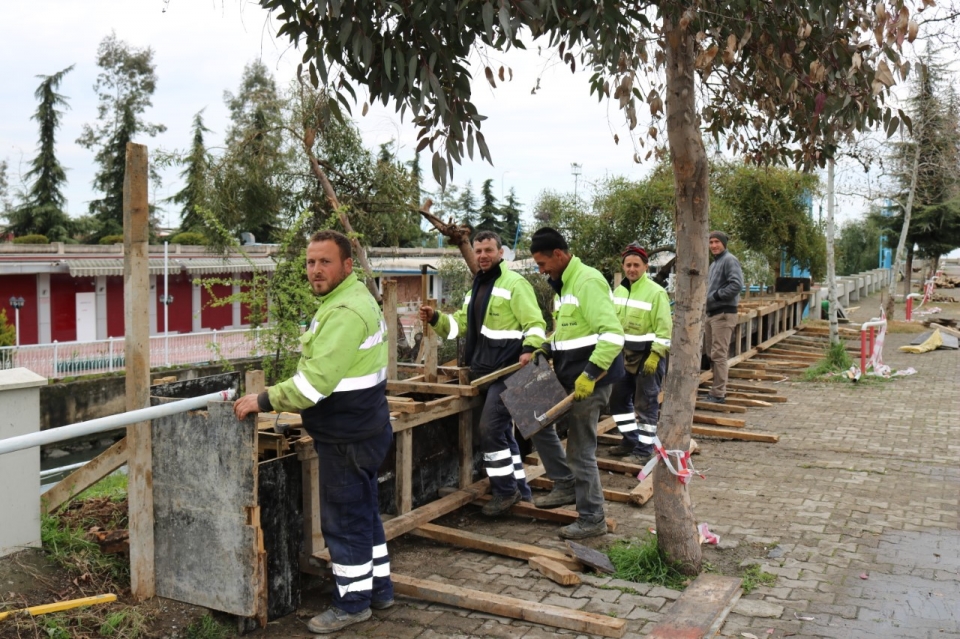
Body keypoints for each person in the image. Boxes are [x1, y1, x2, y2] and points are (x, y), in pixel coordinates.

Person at [234, 230, 393, 634]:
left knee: (343, 521)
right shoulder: (351, 300)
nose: (315, 270)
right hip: (365, 428)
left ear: (347, 265)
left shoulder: (344, 312)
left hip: (346, 436)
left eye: (325, 262)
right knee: (365, 513)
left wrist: (263, 399)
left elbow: (312, 385)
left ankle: (353, 603)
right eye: (310, 262)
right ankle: (378, 589)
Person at [419, 231, 546, 516]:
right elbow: (459, 327)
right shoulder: (476, 288)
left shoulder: (515, 284)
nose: (482, 255)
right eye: (478, 251)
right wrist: (436, 319)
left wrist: (530, 349)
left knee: (489, 430)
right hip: (485, 372)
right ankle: (521, 491)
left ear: (501, 253)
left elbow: (535, 323)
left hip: (511, 371)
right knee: (502, 433)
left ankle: (505, 491)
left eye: (488, 250)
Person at [527, 227, 625, 540]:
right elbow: (571, 330)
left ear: (559, 254)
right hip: (569, 373)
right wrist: (547, 345)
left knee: (581, 451)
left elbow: (612, 335)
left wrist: (591, 374)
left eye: (543, 264)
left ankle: (592, 518)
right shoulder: (565, 284)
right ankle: (565, 484)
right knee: (534, 418)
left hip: (590, 380)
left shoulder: (588, 280)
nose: (541, 271)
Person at [608, 242, 672, 464]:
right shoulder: (619, 291)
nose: (632, 269)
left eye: (636, 265)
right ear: (623, 266)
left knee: (646, 404)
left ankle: (644, 449)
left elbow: (664, 328)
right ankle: (630, 439)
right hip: (623, 355)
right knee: (617, 400)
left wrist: (656, 355)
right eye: (628, 265)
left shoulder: (656, 293)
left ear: (646, 266)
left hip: (647, 357)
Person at [703, 230, 743, 403]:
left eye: (716, 242)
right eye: (711, 242)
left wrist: (715, 296)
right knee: (710, 353)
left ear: (724, 243)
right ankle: (715, 388)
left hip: (724, 313)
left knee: (719, 354)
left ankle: (719, 393)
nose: (713, 245)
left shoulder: (729, 260)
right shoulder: (714, 264)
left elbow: (736, 285)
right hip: (712, 313)